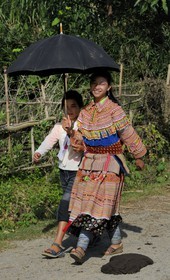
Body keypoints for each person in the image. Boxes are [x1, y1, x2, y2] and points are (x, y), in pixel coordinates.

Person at [62, 71, 147, 264]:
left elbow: (127, 133)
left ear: (108, 87)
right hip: (89, 163)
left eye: (101, 83)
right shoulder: (85, 111)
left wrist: (139, 155)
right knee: (100, 205)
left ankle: (81, 247)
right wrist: (70, 132)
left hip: (110, 163)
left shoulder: (114, 110)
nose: (96, 87)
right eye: (93, 83)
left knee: (94, 204)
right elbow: (79, 141)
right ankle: (116, 242)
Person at [33, 90, 84, 258]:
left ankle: (57, 244)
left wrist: (72, 132)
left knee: (65, 203)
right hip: (64, 171)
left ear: (80, 107)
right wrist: (39, 152)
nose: (69, 110)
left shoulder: (84, 126)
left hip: (79, 171)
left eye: (73, 106)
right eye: (66, 106)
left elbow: (85, 145)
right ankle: (88, 235)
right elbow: (49, 141)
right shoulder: (58, 127)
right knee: (75, 206)